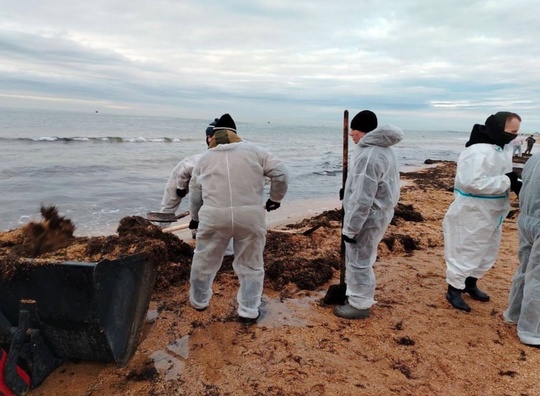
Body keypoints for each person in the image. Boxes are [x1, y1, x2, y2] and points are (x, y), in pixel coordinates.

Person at [188, 113, 289, 324]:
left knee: (204, 261)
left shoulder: (204, 159)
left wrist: (195, 218)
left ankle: (199, 302)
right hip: (250, 216)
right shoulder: (255, 151)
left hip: (214, 216)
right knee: (251, 264)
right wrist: (275, 199)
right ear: (235, 134)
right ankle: (249, 310)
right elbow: (281, 173)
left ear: (213, 137)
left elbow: (196, 193)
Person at [443, 112, 522, 312]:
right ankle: (454, 288)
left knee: (487, 249)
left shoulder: (502, 148)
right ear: (497, 129)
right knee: (467, 248)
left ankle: (471, 282)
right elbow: (472, 182)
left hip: (493, 210)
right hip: (474, 210)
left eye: (516, 132)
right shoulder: (477, 152)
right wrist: (507, 181)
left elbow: (499, 174)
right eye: (511, 131)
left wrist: (514, 182)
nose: (514, 136)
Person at [334, 110, 404, 319]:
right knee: (363, 256)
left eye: (353, 130)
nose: (351, 135)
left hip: (368, 217)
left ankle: (359, 304)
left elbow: (362, 198)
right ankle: (356, 295)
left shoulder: (369, 155)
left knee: (359, 259)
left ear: (361, 130)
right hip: (380, 213)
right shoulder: (383, 151)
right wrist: (347, 189)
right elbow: (373, 185)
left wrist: (351, 228)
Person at [503, 153, 540, 347]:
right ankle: (532, 331)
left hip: (527, 219)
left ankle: (514, 313)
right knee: (537, 277)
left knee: (525, 269)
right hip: (535, 218)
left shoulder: (535, 157)